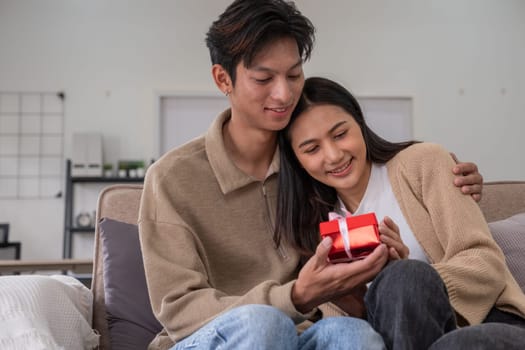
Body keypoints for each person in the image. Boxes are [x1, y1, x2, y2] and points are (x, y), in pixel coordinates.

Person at [138, 1, 484, 349]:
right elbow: (178, 308)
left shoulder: (309, 167)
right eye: (263, 78)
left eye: (293, 75)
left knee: (356, 337)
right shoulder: (170, 179)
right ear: (222, 78)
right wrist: (296, 296)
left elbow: (375, 180)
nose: (284, 94)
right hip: (211, 337)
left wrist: (445, 178)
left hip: (301, 334)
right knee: (264, 326)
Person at [274, 76, 525, 350]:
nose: (333, 155)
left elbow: (486, 262)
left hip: (490, 325)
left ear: (359, 123)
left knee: (411, 286)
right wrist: (363, 298)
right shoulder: (314, 231)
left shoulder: (422, 163)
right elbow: (352, 333)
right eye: (312, 149)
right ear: (296, 159)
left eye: (340, 134)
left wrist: (414, 285)